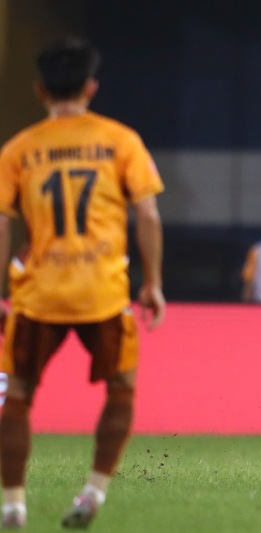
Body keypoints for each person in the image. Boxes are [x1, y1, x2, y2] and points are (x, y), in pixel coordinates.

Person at [0, 38, 165, 529]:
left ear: (39, 90)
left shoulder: (18, 149)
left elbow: (2, 222)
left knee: (19, 394)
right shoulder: (121, 140)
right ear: (91, 87)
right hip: (102, 291)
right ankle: (93, 492)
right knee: (121, 389)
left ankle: (13, 505)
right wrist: (153, 283)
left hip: (39, 292)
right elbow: (148, 215)